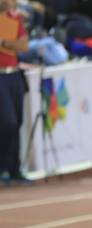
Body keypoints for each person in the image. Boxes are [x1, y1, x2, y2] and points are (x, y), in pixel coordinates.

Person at [0, 0, 31, 185]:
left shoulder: (15, 17)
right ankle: (2, 167)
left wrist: (4, 42)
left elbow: (24, 46)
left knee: (17, 122)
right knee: (8, 122)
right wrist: (12, 44)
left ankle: (14, 170)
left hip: (14, 74)